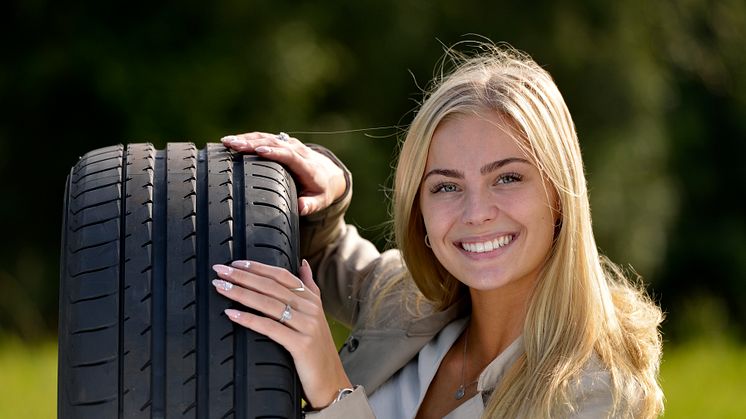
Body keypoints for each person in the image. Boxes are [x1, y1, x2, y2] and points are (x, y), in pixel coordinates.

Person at [210, 44, 664, 418]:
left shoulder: (598, 394)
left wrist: (334, 394)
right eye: (446, 186)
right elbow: (321, 251)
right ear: (419, 211)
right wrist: (327, 186)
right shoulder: (408, 301)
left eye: (507, 177)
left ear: (560, 191)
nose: (476, 212)